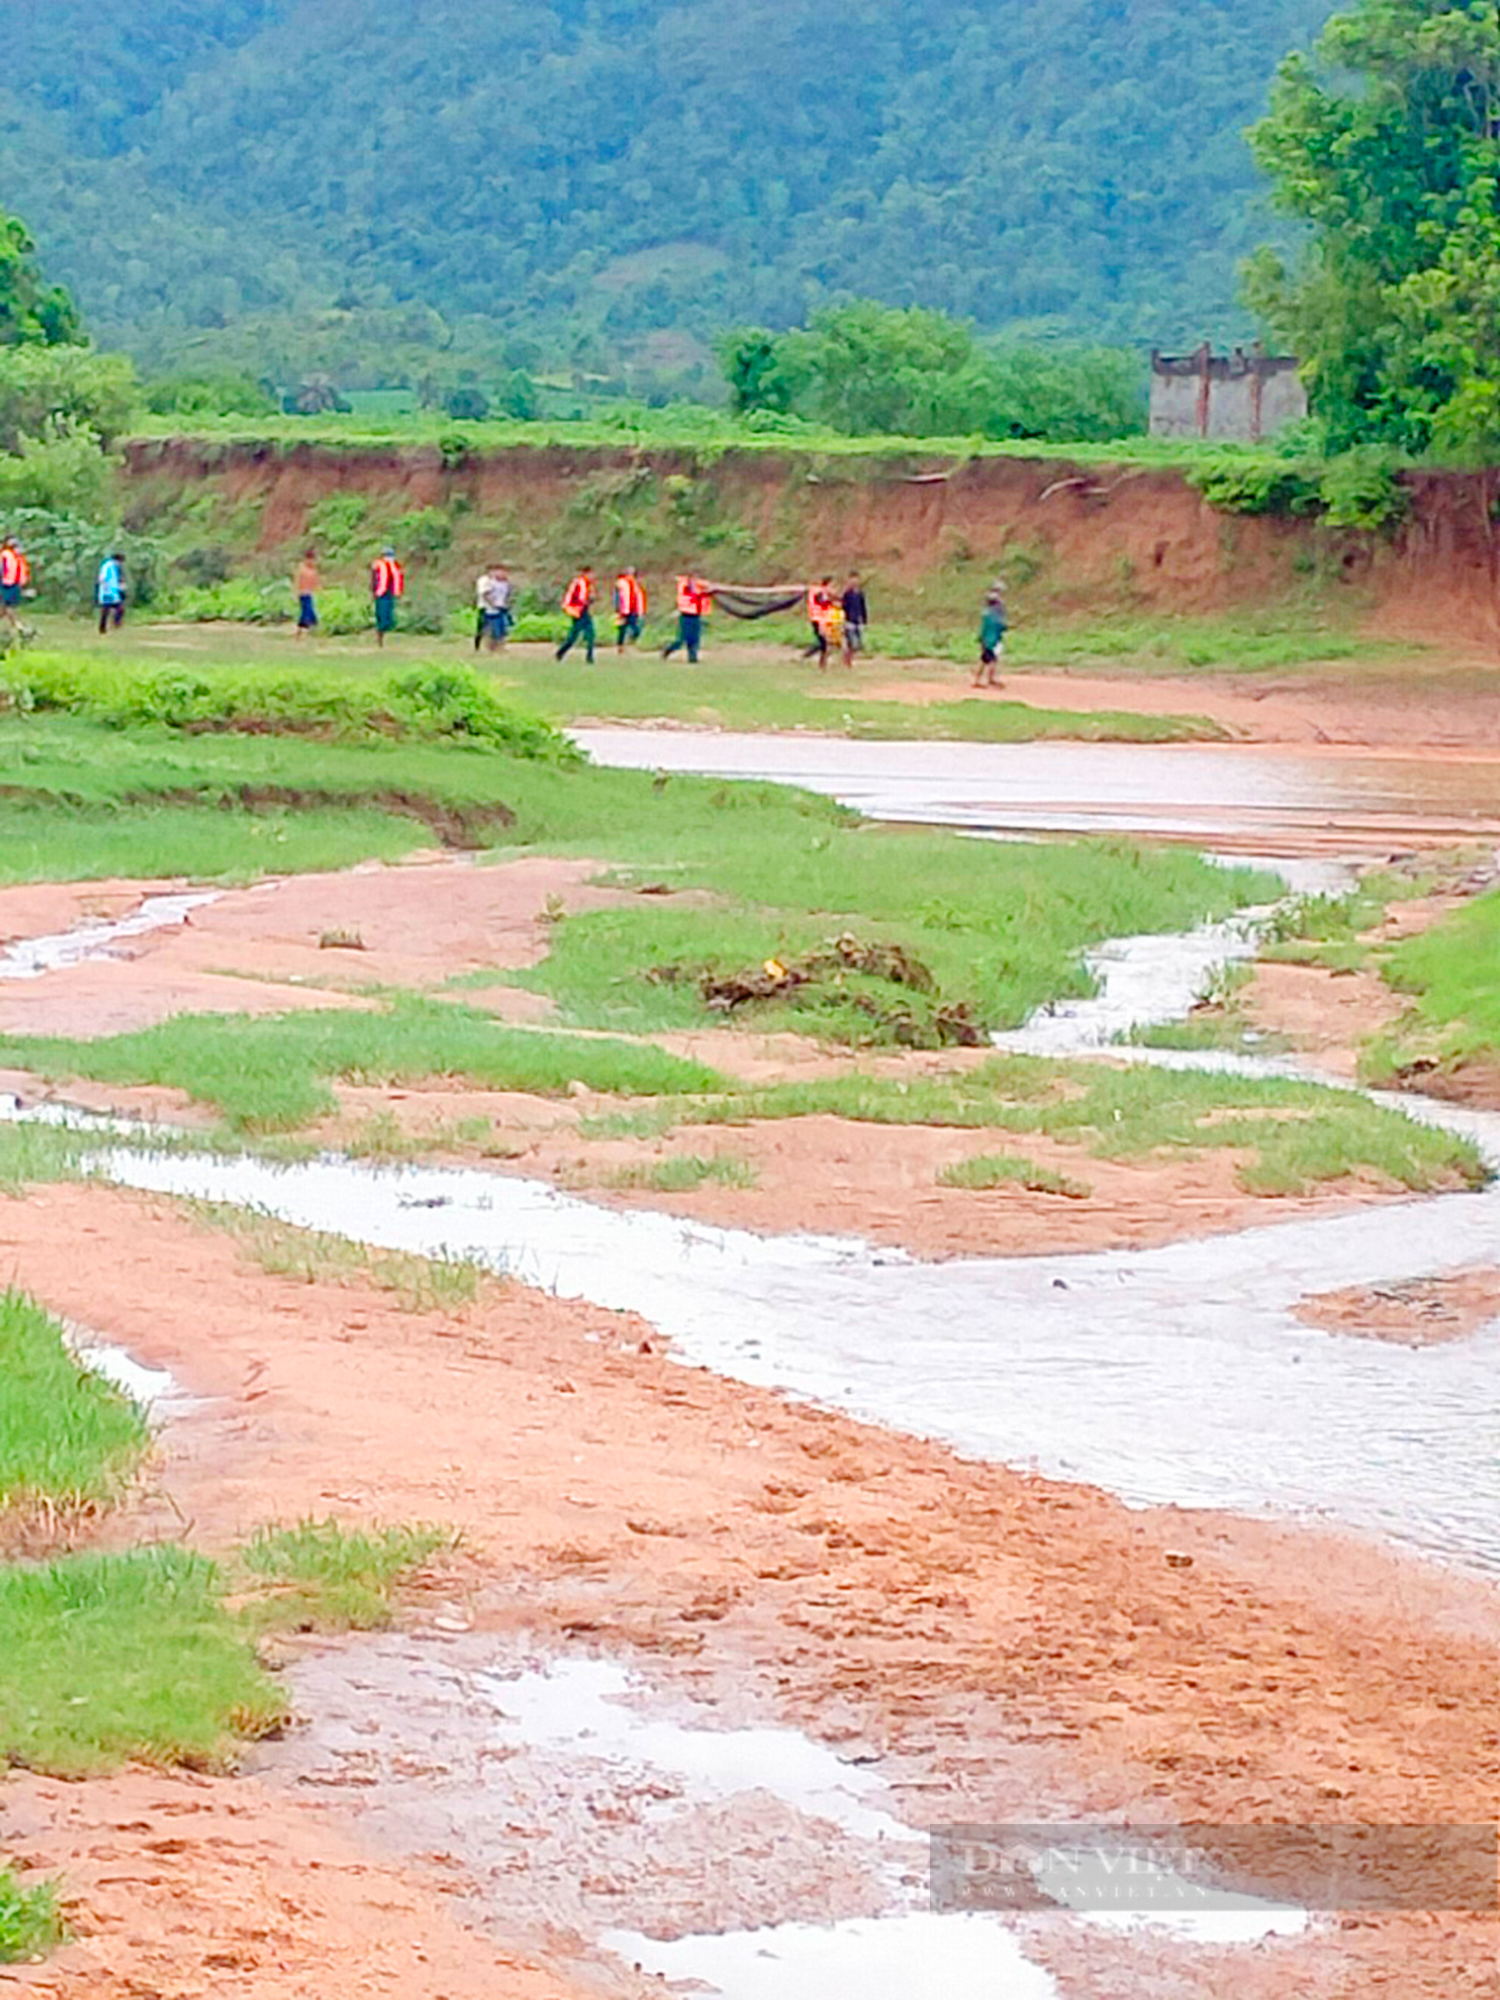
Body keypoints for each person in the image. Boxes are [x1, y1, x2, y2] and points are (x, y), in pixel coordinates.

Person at [662, 573, 712, 663]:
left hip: (696, 614)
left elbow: (706, 587)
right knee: (682, 639)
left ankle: (693, 658)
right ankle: (668, 649)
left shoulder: (698, 585)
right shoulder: (685, 586)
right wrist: (703, 592)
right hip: (686, 614)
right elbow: (693, 595)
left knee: (695, 638)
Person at [556, 566, 597, 662]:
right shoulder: (579, 583)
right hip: (577, 612)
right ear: (586, 573)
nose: (593, 576)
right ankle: (561, 652)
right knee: (574, 636)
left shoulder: (588, 585)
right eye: (591, 574)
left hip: (584, 611)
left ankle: (589, 657)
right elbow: (574, 597)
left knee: (590, 633)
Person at [975, 582, 1008, 689]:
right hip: (992, 641)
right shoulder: (994, 615)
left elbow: (985, 628)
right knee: (991, 660)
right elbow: (999, 626)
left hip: (987, 640)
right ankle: (986, 679)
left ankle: (982, 679)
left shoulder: (987, 614)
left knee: (985, 660)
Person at [370, 546, 405, 646]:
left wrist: (398, 593)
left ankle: (382, 635)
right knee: (381, 615)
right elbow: (373, 580)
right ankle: (379, 637)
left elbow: (399, 580)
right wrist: (373, 592)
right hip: (381, 593)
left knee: (389, 617)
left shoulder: (395, 566)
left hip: (390, 593)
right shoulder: (377, 565)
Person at [801, 576, 834, 661]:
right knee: (823, 642)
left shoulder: (823, 594)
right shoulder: (820, 594)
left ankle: (815, 657)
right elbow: (821, 607)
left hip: (822, 620)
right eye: (831, 586)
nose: (833, 588)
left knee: (823, 642)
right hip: (818, 620)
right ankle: (811, 656)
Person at [614, 566, 646, 652]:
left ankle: (630, 640)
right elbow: (617, 597)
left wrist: (640, 609)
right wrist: (618, 608)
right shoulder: (621, 583)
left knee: (636, 628)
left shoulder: (635, 584)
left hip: (633, 610)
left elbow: (638, 597)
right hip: (623, 610)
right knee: (622, 629)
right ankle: (620, 646)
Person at [0, 537, 27, 637]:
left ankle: (18, 627)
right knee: (8, 607)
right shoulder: (5, 555)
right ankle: (19, 627)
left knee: (4, 609)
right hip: (6, 584)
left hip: (14, 584)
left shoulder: (18, 557)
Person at [841, 572, 869, 664]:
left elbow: (863, 607)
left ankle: (849, 657)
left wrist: (864, 619)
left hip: (858, 620)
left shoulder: (860, 594)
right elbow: (843, 606)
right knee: (852, 642)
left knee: (858, 644)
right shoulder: (847, 594)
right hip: (849, 621)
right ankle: (847, 660)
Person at [96, 551, 126, 634]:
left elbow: (117, 579)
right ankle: (103, 628)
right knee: (105, 611)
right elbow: (102, 578)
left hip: (114, 593)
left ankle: (116, 623)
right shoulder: (107, 566)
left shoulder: (115, 568)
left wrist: (121, 587)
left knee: (120, 609)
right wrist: (105, 588)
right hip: (107, 593)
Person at [294, 548, 320, 638]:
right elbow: (298, 581)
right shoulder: (302, 569)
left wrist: (318, 589)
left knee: (308, 611)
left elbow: (315, 581)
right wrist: (296, 592)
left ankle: (306, 630)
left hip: (309, 593)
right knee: (307, 611)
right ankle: (304, 629)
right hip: (303, 593)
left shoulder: (313, 570)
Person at [486, 564, 513, 648]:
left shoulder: (506, 584)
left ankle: (501, 644)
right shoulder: (491, 583)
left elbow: (508, 595)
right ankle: (493, 645)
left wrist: (507, 603)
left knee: (504, 627)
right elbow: (486, 594)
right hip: (493, 609)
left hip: (503, 607)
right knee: (495, 628)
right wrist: (492, 603)